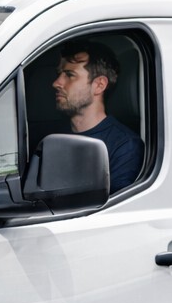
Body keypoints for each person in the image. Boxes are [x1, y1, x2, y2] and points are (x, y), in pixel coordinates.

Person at [51, 40, 145, 192]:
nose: (56, 83)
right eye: (59, 74)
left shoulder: (125, 146)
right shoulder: (54, 137)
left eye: (69, 75)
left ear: (99, 85)